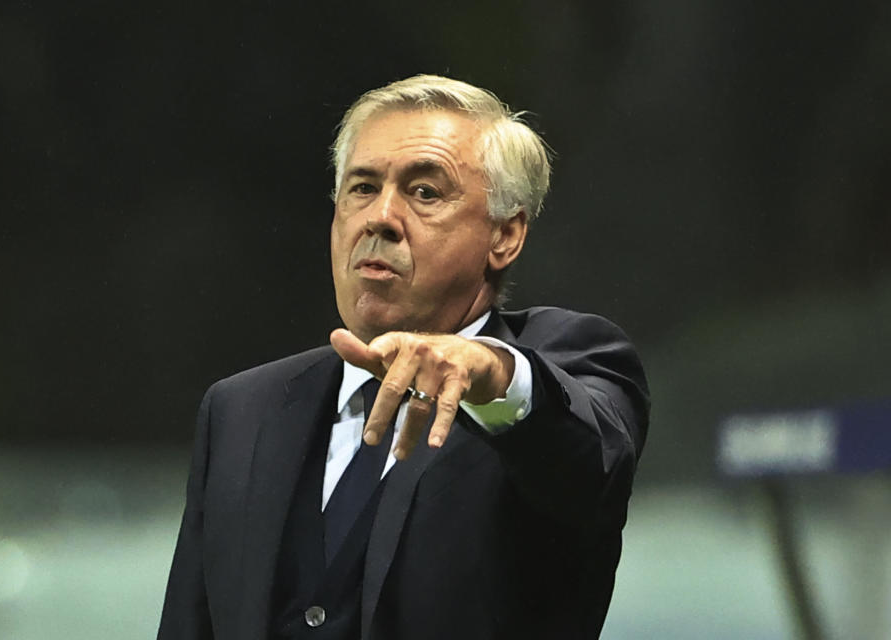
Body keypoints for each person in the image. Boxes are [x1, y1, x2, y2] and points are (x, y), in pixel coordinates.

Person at [158, 75, 649, 640]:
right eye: (362, 188)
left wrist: (488, 370)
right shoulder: (241, 409)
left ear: (505, 237)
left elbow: (592, 463)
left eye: (425, 193)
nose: (381, 217)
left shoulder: (572, 361)